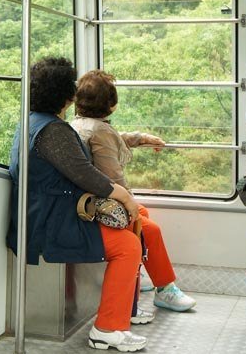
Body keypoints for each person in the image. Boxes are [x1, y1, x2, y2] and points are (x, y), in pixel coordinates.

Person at [6, 57, 148, 352]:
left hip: (39, 215)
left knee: (128, 240)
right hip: (50, 223)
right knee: (128, 247)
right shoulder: (53, 131)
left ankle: (115, 319)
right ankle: (108, 328)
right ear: (67, 95)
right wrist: (124, 197)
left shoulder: (31, 122)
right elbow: (85, 174)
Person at [71, 69, 197, 317]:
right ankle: (165, 288)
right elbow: (113, 177)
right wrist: (129, 202)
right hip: (97, 206)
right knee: (150, 228)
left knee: (144, 213)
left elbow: (112, 138)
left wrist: (140, 138)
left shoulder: (78, 125)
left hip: (85, 201)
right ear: (112, 105)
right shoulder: (101, 132)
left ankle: (143, 272)